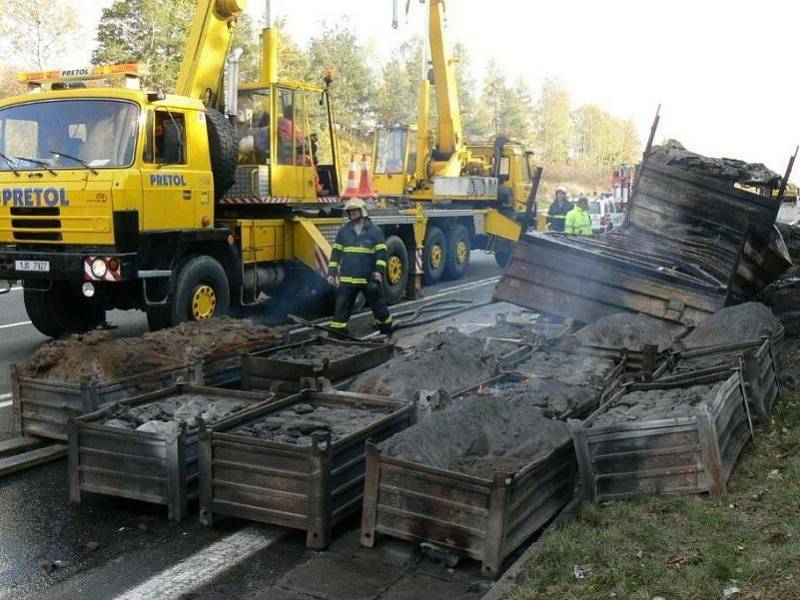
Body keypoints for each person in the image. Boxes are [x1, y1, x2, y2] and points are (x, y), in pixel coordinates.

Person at [327, 198, 394, 335]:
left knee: (379, 307)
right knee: (341, 309)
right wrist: (331, 273)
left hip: (368, 278)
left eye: (355, 210)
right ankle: (337, 332)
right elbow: (336, 253)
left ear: (362, 211)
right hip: (347, 278)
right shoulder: (344, 231)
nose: (352, 213)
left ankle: (386, 329)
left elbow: (382, 254)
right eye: (350, 211)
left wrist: (379, 271)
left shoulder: (375, 231)